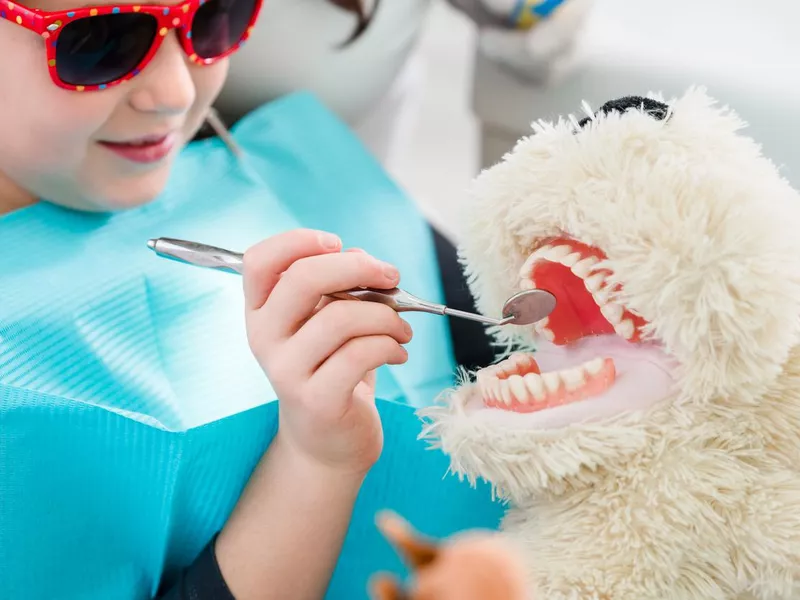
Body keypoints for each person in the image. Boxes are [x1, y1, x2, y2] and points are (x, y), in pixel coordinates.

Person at [0, 0, 496, 598]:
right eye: (101, 41)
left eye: (213, 19)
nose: (174, 91)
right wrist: (315, 464)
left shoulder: (298, 166)